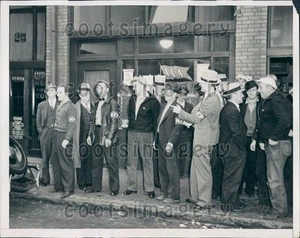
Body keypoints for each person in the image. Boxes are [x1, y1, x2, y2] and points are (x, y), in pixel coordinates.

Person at [172, 69, 221, 208]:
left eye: (203, 82)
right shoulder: (206, 97)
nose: (200, 85)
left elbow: (195, 117)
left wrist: (180, 112)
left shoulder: (212, 100)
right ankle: (195, 197)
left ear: (210, 84)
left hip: (204, 139)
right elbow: (195, 113)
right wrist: (193, 115)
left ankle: (205, 201)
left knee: (203, 170)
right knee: (195, 168)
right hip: (200, 137)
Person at [253, 77, 292, 218]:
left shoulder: (275, 101)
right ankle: (280, 207)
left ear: (270, 88)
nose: (258, 90)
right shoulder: (273, 100)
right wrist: (264, 139)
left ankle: (279, 210)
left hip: (278, 145)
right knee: (276, 177)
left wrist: (273, 137)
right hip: (276, 144)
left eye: (261, 87)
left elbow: (285, 120)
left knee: (274, 178)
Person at [123, 76, 160, 198]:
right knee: (131, 161)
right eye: (133, 86)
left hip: (146, 134)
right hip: (132, 132)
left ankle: (149, 188)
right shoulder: (132, 99)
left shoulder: (153, 101)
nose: (134, 88)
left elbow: (155, 121)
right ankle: (131, 187)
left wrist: (155, 138)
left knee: (147, 161)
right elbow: (129, 114)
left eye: (136, 86)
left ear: (143, 86)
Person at [87, 80, 120, 196]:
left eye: (101, 88)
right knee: (96, 162)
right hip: (96, 133)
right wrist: (90, 135)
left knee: (111, 162)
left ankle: (114, 188)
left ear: (106, 89)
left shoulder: (113, 103)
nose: (98, 90)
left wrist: (109, 137)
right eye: (97, 89)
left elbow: (114, 123)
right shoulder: (96, 104)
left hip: (106, 134)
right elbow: (92, 121)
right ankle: (96, 187)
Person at [219, 82, 247, 213]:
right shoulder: (231, 110)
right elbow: (236, 132)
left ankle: (233, 202)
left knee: (233, 177)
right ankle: (228, 205)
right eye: (241, 93)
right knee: (232, 178)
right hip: (233, 150)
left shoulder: (230, 108)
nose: (243, 95)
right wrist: (243, 147)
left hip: (230, 148)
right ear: (234, 94)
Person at [155, 82, 183, 204]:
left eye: (169, 92)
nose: (166, 93)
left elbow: (178, 127)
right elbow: (158, 125)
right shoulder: (163, 106)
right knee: (162, 168)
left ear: (175, 94)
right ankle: (164, 192)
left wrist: (171, 142)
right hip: (161, 141)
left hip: (170, 143)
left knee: (172, 170)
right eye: (165, 91)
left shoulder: (177, 108)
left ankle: (174, 195)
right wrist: (155, 140)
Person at [50, 84, 77, 199]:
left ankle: (68, 188)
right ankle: (59, 186)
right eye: (57, 92)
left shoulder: (70, 106)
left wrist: (67, 139)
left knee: (66, 162)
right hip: (56, 134)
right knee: (55, 161)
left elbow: (72, 125)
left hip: (64, 136)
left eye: (60, 92)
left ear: (66, 93)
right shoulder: (61, 104)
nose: (57, 94)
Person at [239, 80, 259, 198]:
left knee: (252, 164)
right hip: (243, 138)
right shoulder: (242, 105)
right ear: (246, 92)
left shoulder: (260, 104)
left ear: (257, 91)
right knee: (241, 163)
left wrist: (255, 138)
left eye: (254, 90)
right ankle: (239, 189)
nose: (251, 93)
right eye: (249, 91)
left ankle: (250, 190)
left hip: (254, 138)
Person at [72, 83, 93, 191]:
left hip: (91, 137)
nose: (86, 97)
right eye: (84, 95)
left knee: (90, 159)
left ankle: (88, 181)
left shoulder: (93, 105)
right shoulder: (76, 107)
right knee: (81, 159)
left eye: (87, 94)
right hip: (80, 137)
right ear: (80, 95)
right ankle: (81, 182)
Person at [36, 83, 58, 187]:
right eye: (48, 91)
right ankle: (45, 179)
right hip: (45, 133)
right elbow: (38, 121)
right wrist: (41, 131)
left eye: (52, 90)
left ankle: (58, 181)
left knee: (56, 157)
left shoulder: (61, 104)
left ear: (56, 92)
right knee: (45, 157)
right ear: (46, 93)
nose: (50, 92)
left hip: (57, 133)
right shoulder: (41, 105)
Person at [176, 84, 194, 179]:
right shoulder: (173, 105)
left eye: (184, 94)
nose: (182, 96)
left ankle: (180, 173)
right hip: (175, 133)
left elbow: (192, 119)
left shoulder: (190, 106)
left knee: (183, 155)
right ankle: (175, 172)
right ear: (178, 94)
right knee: (174, 154)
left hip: (185, 134)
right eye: (181, 94)